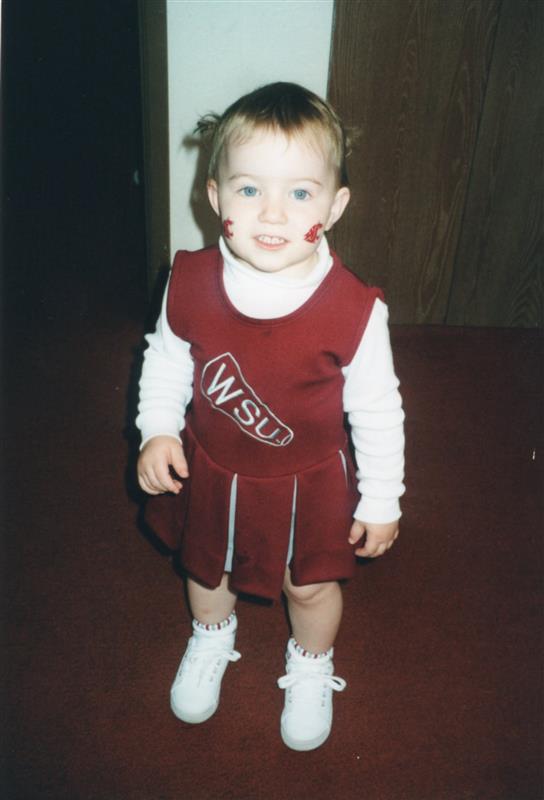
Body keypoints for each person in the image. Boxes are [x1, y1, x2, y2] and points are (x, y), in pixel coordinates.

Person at [136, 82, 405, 752]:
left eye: (301, 192)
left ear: (335, 206)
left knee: (309, 586)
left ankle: (311, 662)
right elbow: (166, 358)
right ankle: (211, 634)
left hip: (308, 481)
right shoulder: (187, 280)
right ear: (215, 196)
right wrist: (158, 427)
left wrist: (381, 498)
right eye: (250, 189)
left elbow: (377, 409)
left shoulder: (356, 310)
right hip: (215, 467)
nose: (273, 213)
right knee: (208, 569)